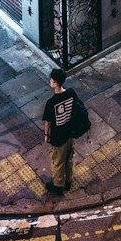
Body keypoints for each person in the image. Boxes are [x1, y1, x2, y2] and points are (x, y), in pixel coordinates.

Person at [42, 67, 79, 196]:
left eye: (51, 79)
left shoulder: (51, 103)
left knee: (58, 162)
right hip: (70, 133)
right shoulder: (71, 93)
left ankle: (58, 185)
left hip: (58, 138)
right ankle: (68, 181)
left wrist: (46, 135)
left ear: (56, 83)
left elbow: (47, 121)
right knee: (69, 158)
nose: (50, 80)